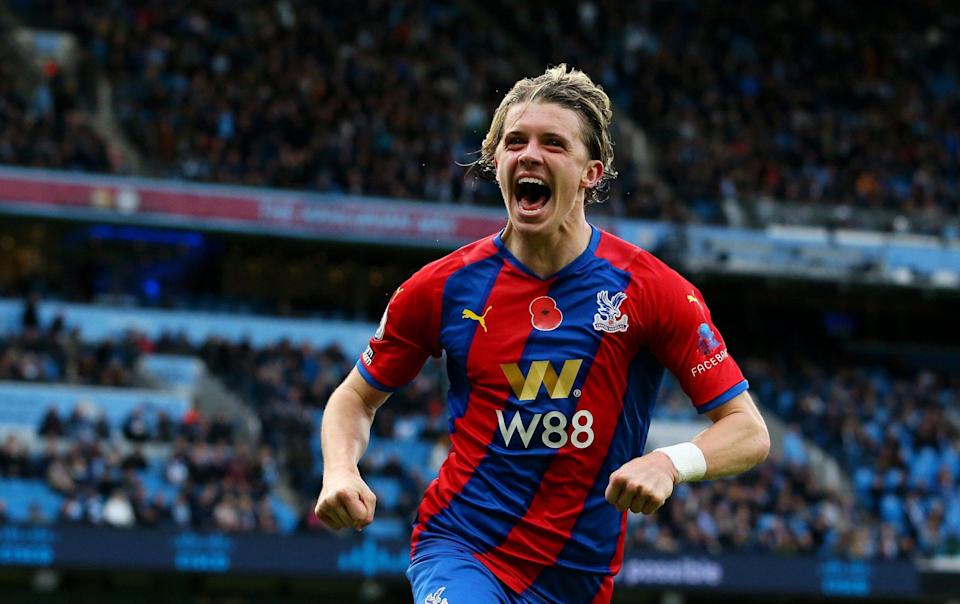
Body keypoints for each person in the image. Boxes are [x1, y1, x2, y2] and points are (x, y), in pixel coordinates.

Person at [315, 65, 770, 604]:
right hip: (461, 549)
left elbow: (747, 430)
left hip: (577, 580)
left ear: (591, 173)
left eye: (553, 143)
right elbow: (355, 398)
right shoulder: (441, 288)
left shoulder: (652, 290)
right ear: (497, 162)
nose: (529, 154)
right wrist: (339, 470)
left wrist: (669, 463)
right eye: (515, 142)